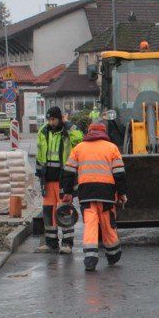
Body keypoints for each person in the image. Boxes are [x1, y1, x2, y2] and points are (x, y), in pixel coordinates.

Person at [61, 119, 126, 271]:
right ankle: (113, 254)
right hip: (107, 194)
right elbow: (119, 174)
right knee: (108, 224)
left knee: (90, 224)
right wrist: (122, 193)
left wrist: (68, 192)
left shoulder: (79, 148)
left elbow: (68, 172)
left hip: (86, 193)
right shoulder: (112, 148)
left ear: (89, 132)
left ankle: (90, 258)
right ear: (104, 132)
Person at [33, 106, 83, 252]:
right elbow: (40, 154)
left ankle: (67, 243)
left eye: (53, 119)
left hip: (64, 179)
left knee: (64, 210)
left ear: (60, 118)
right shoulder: (44, 131)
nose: (51, 122)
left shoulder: (68, 131)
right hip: (48, 179)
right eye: (49, 119)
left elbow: (79, 138)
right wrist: (40, 174)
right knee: (48, 210)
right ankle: (51, 243)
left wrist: (68, 124)